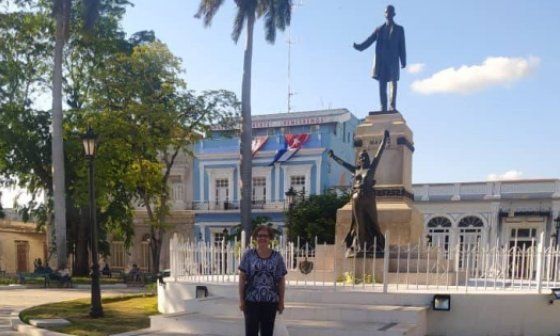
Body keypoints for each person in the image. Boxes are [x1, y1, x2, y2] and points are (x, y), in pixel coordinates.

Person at [328, 130, 390, 256]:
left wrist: (384, 140)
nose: (363, 158)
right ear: (359, 160)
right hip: (356, 197)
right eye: (361, 157)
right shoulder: (355, 170)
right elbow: (343, 164)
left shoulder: (371, 169)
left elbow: (378, 155)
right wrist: (333, 157)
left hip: (368, 196)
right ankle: (361, 248)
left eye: (365, 157)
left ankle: (378, 244)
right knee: (359, 224)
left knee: (374, 223)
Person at [353, 5, 406, 112]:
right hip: (381, 62)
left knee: (393, 83)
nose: (388, 14)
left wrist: (403, 60)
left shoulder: (399, 29)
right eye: (386, 12)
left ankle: (392, 106)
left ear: (393, 14)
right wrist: (359, 47)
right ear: (384, 14)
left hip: (393, 61)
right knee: (382, 85)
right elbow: (369, 40)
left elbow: (402, 46)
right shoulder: (379, 30)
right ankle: (383, 107)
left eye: (390, 12)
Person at [238, 225, 287, 336]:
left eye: (265, 236)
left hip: (270, 301)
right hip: (251, 300)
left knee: (267, 332)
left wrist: (281, 301)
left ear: (270, 238)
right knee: (251, 332)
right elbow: (242, 278)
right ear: (256, 238)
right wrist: (241, 300)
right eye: (259, 236)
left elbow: (281, 280)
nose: (262, 238)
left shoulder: (277, 257)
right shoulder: (248, 255)